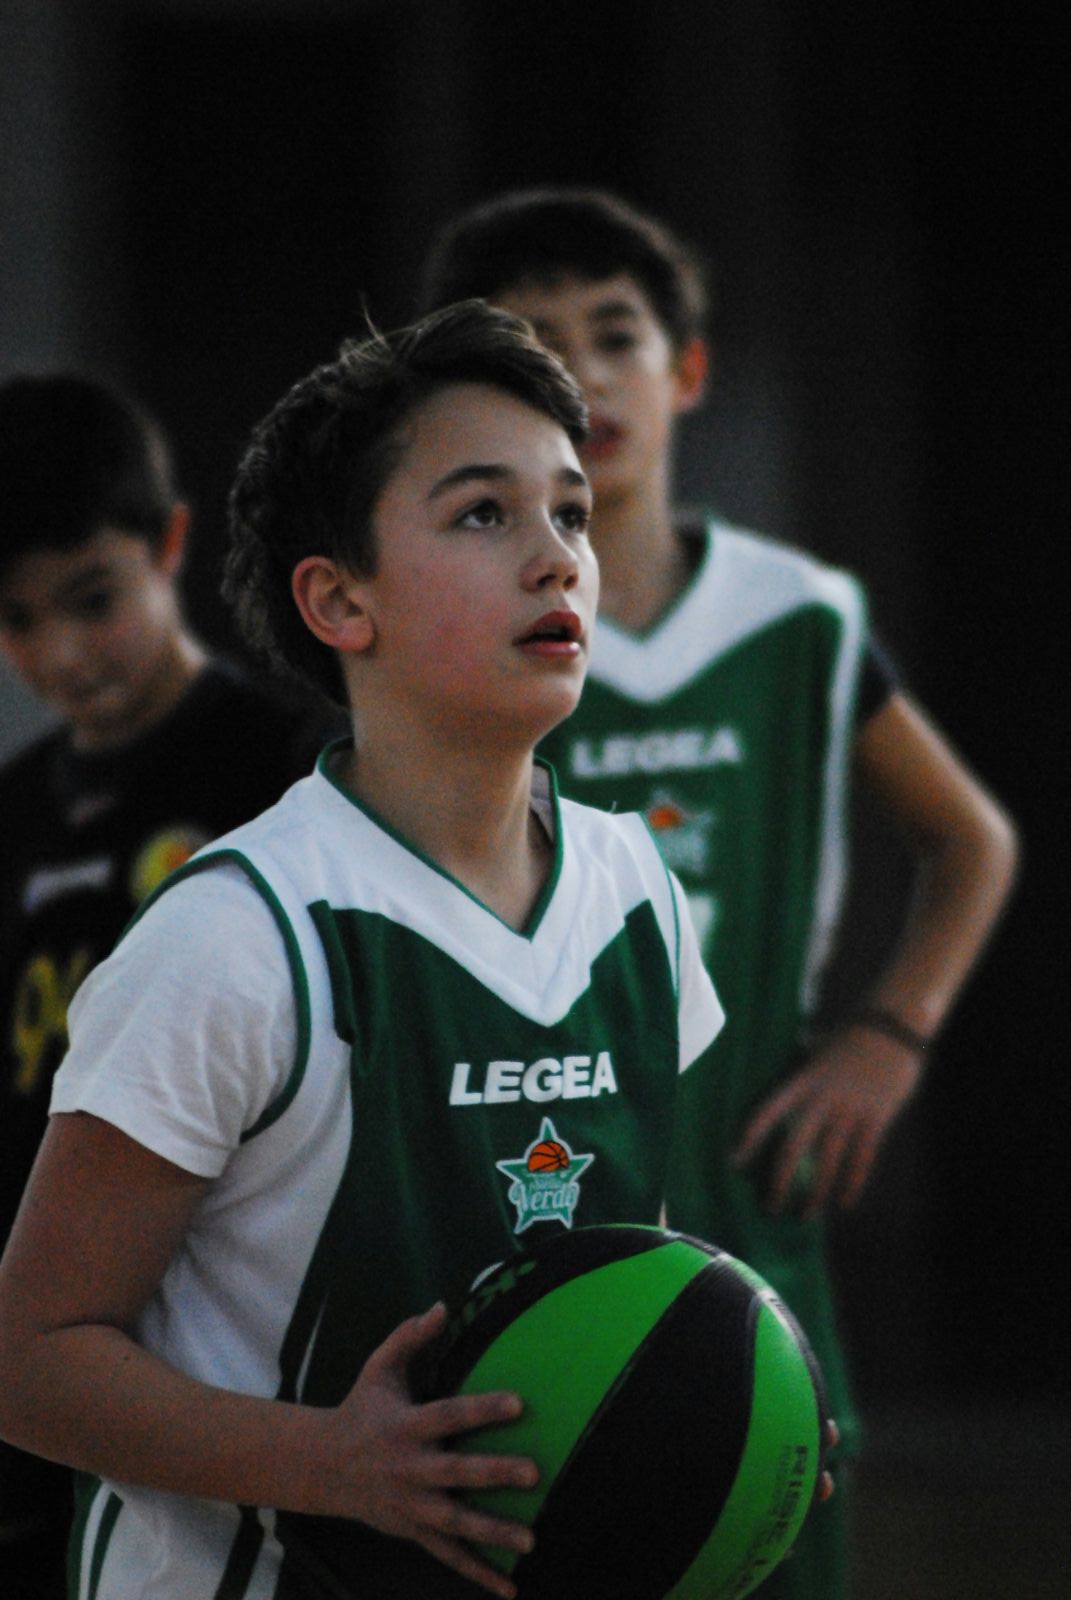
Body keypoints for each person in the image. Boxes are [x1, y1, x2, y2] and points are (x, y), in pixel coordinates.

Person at [0, 301, 735, 1600]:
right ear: (340, 599)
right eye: (483, 514)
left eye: (570, 512)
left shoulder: (639, 893)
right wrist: (328, 1464)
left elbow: (635, 1275)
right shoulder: (234, 936)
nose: (557, 557)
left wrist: (719, 1413)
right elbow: (27, 1360)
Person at [418, 188, 1020, 1598]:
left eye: (614, 334)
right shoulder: (457, 628)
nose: (583, 374)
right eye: (536, 344)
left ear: (684, 369)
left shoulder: (794, 616)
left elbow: (969, 840)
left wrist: (889, 1034)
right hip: (525, 1207)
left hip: (744, 1212)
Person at [0, 371, 342, 1596]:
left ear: (170, 543)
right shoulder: (14, 815)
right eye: (17, 620)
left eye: (94, 599)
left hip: (220, 1350)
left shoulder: (294, 769)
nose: (62, 653)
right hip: (42, 1346)